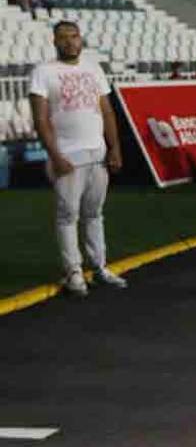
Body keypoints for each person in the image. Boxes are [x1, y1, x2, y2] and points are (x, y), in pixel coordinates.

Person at [29, 21, 127, 297]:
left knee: (94, 214)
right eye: (63, 37)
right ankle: (74, 272)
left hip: (97, 154)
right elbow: (41, 119)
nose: (70, 42)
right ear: (54, 41)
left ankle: (99, 267)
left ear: (81, 39)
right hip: (67, 157)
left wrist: (115, 148)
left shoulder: (94, 67)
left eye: (74, 36)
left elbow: (107, 112)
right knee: (67, 216)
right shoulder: (43, 72)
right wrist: (55, 155)